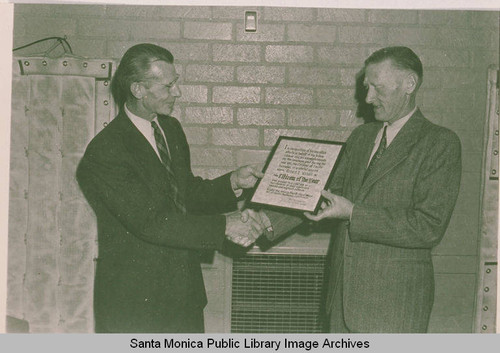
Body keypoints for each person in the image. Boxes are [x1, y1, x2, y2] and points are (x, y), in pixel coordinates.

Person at [266, 46, 462, 333]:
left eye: (378, 88)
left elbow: (428, 226)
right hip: (341, 300)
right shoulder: (361, 136)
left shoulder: (439, 143)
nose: (368, 98)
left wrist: (354, 213)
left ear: (410, 84)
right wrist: (264, 222)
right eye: (366, 87)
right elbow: (323, 194)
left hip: (394, 306)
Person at [76, 43, 267, 333]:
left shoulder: (170, 129)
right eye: (168, 86)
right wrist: (224, 227)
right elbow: (152, 221)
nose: (176, 92)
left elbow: (185, 194)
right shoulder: (106, 150)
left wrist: (232, 182)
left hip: (184, 292)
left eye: (175, 83)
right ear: (138, 89)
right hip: (135, 303)